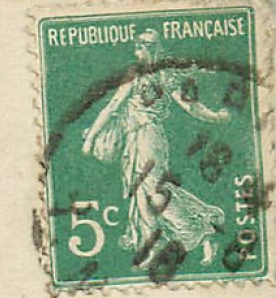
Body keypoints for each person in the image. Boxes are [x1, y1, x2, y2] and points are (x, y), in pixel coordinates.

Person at [83, 29, 231, 269]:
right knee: (141, 196)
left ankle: (200, 231)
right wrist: (91, 136)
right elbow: (112, 106)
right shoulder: (135, 74)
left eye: (149, 45)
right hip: (134, 139)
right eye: (141, 45)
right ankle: (153, 248)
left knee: (152, 193)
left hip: (150, 138)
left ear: (157, 48)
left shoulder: (165, 76)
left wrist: (215, 117)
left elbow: (189, 105)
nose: (143, 49)